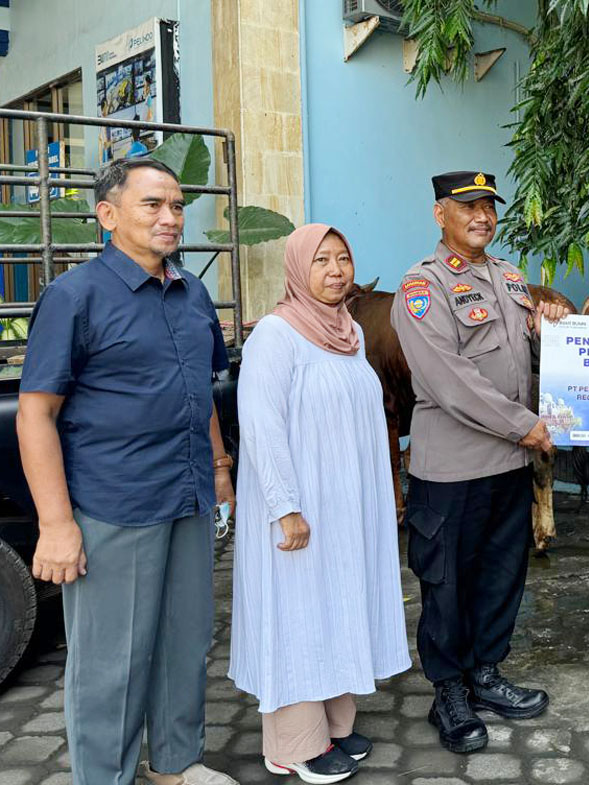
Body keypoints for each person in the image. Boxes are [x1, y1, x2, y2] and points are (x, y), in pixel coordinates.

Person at [16, 157, 238, 785]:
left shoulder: (192, 292)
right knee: (111, 661)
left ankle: (174, 763)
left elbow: (204, 390)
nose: (170, 217)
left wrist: (220, 472)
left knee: (184, 643)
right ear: (108, 215)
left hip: (189, 496)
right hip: (115, 504)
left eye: (176, 205)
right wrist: (56, 524)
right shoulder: (74, 296)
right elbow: (37, 416)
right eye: (153, 205)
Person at [390, 170, 569, 754]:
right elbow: (449, 381)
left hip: (509, 468)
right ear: (440, 214)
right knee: (447, 583)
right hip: (451, 471)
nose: (482, 216)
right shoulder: (423, 287)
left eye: (489, 206)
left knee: (500, 575)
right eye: (468, 207)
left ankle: (486, 674)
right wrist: (527, 426)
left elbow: (527, 359)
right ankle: (449, 691)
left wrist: (555, 334)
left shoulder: (511, 280)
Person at [229, 224, 411, 783]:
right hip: (299, 507)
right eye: (321, 261)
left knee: (338, 602)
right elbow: (260, 427)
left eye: (344, 259)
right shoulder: (276, 337)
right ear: (296, 270)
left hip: (345, 506)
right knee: (298, 612)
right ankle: (292, 744)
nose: (336, 271)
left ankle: (333, 723)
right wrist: (285, 506)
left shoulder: (349, 332)